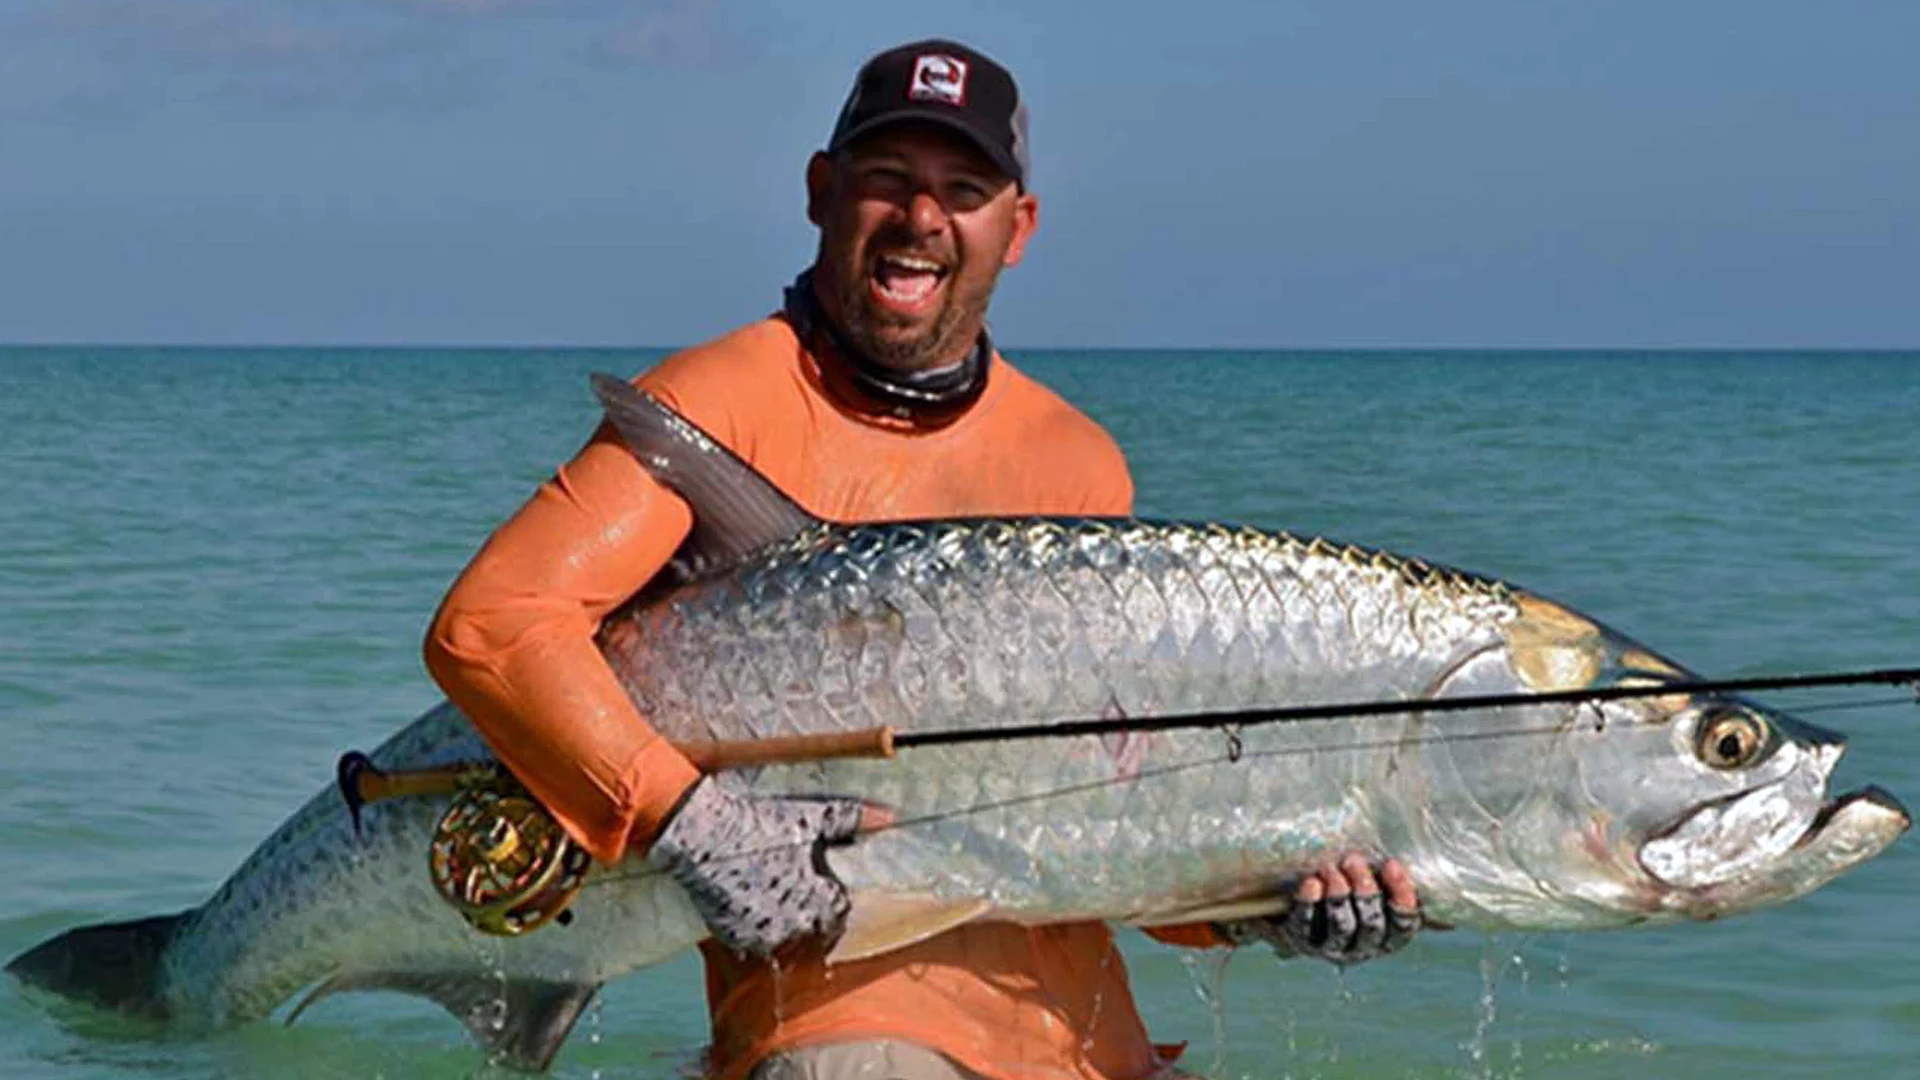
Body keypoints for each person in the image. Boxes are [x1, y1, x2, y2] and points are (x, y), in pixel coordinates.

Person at [425, 39, 1418, 1080]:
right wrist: (691, 823)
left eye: (963, 188)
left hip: (1086, 1045)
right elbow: (494, 625)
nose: (922, 220)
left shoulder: (1073, 461)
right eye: (888, 181)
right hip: (838, 1037)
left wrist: (1267, 910)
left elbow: (1111, 829)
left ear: (1018, 227)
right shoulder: (716, 403)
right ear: (822, 190)